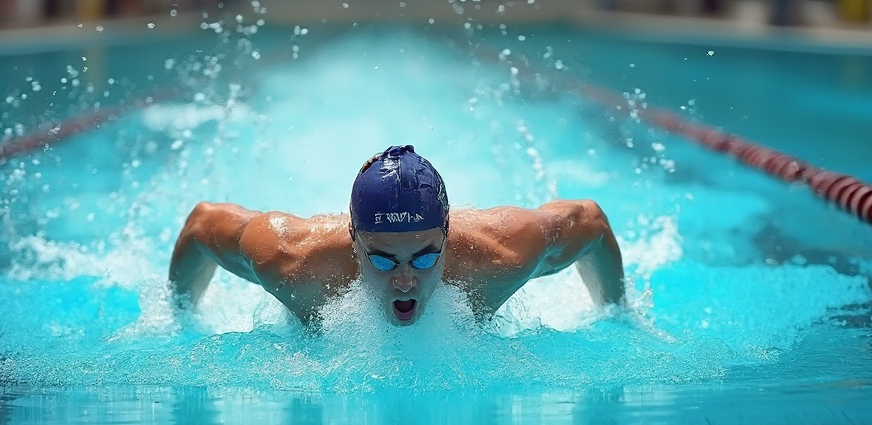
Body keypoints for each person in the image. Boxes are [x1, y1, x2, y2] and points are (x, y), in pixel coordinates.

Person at [168, 145, 624, 326]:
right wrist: (179, 318)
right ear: (354, 241)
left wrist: (616, 317)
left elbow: (592, 222)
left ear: (448, 235)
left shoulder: (500, 256)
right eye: (383, 260)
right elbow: (202, 223)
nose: (404, 280)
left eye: (425, 257)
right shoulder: (293, 262)